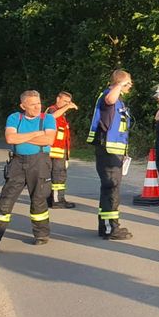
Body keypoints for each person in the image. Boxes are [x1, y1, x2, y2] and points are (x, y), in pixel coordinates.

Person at [0, 91, 56, 253]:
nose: (38, 107)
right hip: (17, 162)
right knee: (5, 202)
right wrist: (37, 133)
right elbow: (10, 139)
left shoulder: (48, 118)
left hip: (40, 162)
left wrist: (21, 136)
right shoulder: (14, 117)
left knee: (39, 200)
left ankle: (41, 235)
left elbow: (48, 140)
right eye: (33, 104)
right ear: (23, 106)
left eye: (39, 103)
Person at [87, 69, 133, 239]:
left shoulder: (119, 101)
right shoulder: (109, 96)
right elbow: (109, 99)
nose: (130, 85)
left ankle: (107, 226)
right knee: (110, 188)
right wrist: (119, 85)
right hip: (108, 151)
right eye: (128, 82)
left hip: (115, 153)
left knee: (111, 188)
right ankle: (110, 228)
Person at [46, 90, 79, 209]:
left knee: (58, 175)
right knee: (58, 175)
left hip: (60, 150)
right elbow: (51, 117)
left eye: (69, 102)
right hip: (55, 150)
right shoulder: (52, 110)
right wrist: (67, 107)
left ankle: (52, 199)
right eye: (65, 101)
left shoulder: (62, 115)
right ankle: (57, 200)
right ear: (57, 99)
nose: (67, 104)